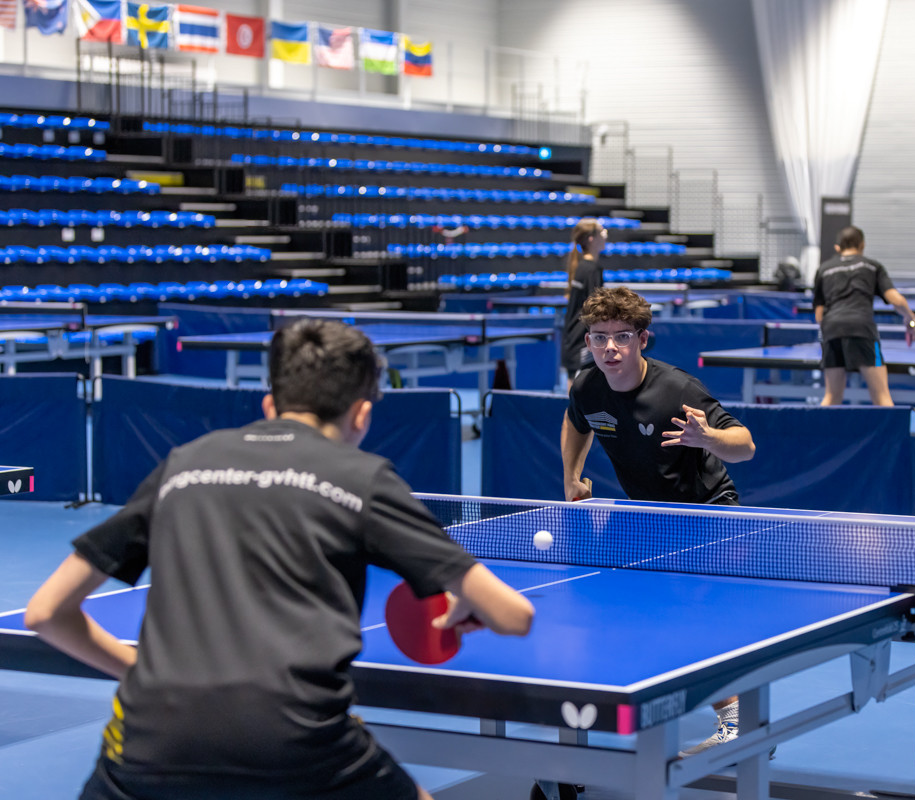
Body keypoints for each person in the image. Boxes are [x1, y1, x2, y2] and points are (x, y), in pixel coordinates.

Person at [25, 319, 535, 800]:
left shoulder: (183, 464)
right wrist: (472, 608)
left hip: (148, 738)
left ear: (270, 404)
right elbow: (515, 615)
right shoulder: (363, 478)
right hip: (295, 738)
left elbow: (46, 613)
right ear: (363, 414)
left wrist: (136, 670)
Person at [560, 287, 755, 756]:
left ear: (642, 339)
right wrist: (571, 477)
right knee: (628, 613)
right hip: (650, 517)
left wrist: (708, 438)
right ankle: (639, 707)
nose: (610, 348)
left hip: (707, 512)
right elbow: (576, 421)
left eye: (622, 337)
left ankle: (739, 723)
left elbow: (745, 444)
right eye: (599, 337)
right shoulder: (587, 385)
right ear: (587, 341)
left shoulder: (677, 389)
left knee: (696, 618)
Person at [812, 225, 915, 406]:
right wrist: (910, 317)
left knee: (831, 396)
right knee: (881, 395)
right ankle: (892, 435)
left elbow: (819, 314)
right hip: (861, 329)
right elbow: (894, 298)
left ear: (838, 248)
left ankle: (818, 434)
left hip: (831, 329)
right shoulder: (872, 266)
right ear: (862, 245)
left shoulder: (824, 269)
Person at [561, 218, 607, 387]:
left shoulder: (587, 266)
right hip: (580, 340)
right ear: (591, 238)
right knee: (576, 393)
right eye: (601, 231)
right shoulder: (588, 269)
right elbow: (595, 307)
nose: (606, 234)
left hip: (577, 337)